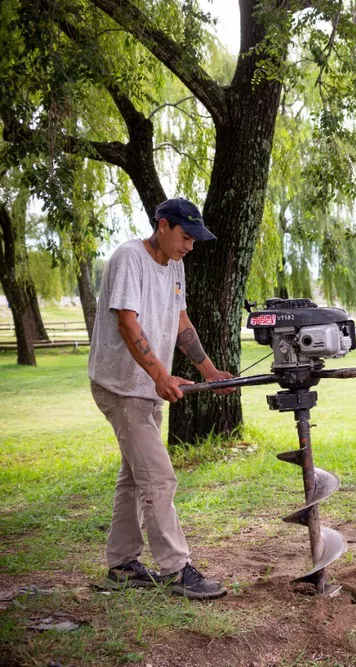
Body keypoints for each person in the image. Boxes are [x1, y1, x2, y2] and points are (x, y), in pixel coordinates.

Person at [88, 197, 234, 600]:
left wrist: (208, 370)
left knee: (135, 477)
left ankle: (122, 565)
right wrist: (160, 375)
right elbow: (126, 322)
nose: (190, 246)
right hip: (121, 386)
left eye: (194, 240)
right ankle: (175, 569)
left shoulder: (175, 265)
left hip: (145, 388)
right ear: (163, 225)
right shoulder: (129, 258)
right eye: (185, 237)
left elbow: (180, 321)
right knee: (158, 477)